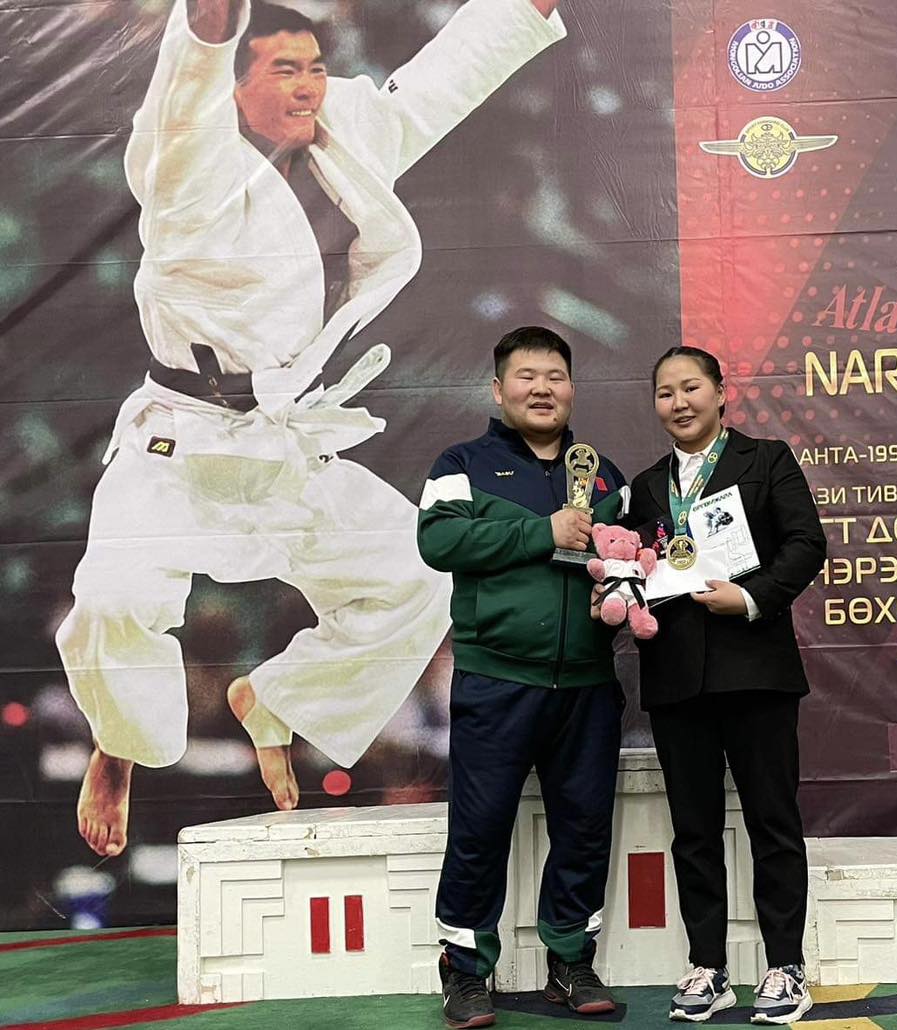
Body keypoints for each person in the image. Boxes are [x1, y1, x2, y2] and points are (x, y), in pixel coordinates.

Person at [55, 0, 566, 859]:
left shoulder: (347, 136)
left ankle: (279, 698)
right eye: (283, 69)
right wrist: (212, 25)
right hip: (179, 440)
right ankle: (120, 746)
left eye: (316, 66)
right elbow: (193, 62)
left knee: (418, 574)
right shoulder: (185, 156)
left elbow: (445, 81)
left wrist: (527, 7)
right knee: (113, 598)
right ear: (234, 84)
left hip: (285, 441)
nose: (307, 86)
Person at [419, 326, 629, 1027]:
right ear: (498, 388)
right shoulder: (462, 464)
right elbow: (439, 540)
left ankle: (570, 961)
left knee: (584, 830)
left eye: (555, 376)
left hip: (588, 686)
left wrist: (617, 601)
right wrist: (544, 531)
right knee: (479, 830)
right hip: (496, 680)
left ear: (572, 387)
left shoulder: (605, 475)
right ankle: (464, 970)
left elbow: (627, 563)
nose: (542, 389)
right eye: (526, 376)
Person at [622, 346, 827, 1026]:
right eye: (665, 392)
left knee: (773, 822)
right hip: (676, 679)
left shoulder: (765, 460)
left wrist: (749, 596)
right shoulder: (647, 486)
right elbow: (639, 567)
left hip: (756, 671)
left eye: (691, 388)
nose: (678, 403)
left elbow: (806, 544)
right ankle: (707, 966)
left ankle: (785, 965)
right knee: (693, 831)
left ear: (720, 392)